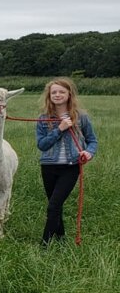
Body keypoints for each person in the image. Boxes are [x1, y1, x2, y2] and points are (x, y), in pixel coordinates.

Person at [36, 77, 98, 244]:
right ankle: (61, 239)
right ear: (49, 95)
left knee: (53, 206)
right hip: (48, 167)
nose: (57, 95)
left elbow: (92, 140)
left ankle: (45, 245)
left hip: (70, 167)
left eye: (61, 91)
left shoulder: (81, 118)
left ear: (69, 94)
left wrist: (89, 153)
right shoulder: (44, 118)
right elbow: (42, 145)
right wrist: (59, 129)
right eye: (54, 92)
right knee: (56, 205)